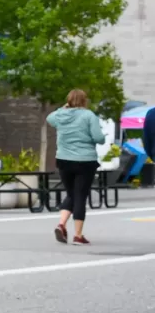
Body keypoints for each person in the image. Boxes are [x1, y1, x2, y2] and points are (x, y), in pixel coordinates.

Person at [48, 89, 104, 247]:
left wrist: (64, 108)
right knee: (80, 196)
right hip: (85, 161)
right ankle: (78, 236)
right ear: (85, 100)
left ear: (68, 100)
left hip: (63, 160)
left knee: (72, 194)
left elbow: (49, 118)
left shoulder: (60, 115)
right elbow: (99, 138)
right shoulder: (89, 116)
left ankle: (61, 224)